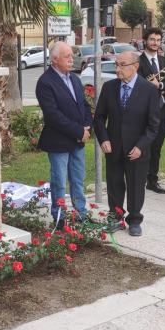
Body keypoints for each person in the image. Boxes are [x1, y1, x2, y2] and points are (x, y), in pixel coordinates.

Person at [93, 51, 160, 236]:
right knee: (114, 184)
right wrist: (104, 139)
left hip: (137, 149)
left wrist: (141, 146)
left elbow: (153, 126)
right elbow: (99, 118)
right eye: (116, 65)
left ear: (135, 66)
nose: (117, 69)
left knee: (136, 185)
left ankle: (135, 220)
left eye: (122, 65)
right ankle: (115, 218)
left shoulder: (149, 90)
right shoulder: (109, 88)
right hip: (113, 148)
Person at [35, 42, 93, 225]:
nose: (71, 59)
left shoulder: (74, 79)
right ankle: (59, 217)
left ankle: (80, 213)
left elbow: (83, 105)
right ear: (54, 59)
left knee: (78, 179)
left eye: (71, 55)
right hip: (58, 141)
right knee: (59, 181)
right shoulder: (45, 82)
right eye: (67, 56)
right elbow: (53, 116)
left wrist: (86, 127)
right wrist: (77, 131)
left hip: (78, 140)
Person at [137, 27, 165, 194]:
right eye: (152, 40)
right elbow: (137, 84)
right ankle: (139, 179)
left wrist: (160, 85)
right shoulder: (138, 62)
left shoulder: (164, 62)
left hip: (163, 110)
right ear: (145, 41)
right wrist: (152, 87)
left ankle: (152, 181)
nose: (155, 43)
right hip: (144, 111)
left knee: (157, 148)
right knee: (143, 146)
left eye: (157, 40)